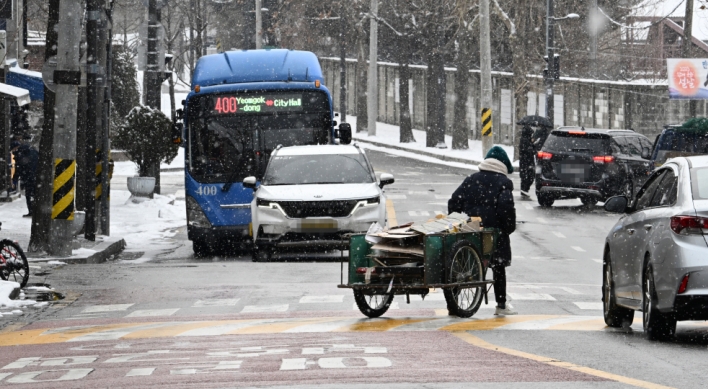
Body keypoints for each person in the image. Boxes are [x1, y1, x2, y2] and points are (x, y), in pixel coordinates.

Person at [448, 146, 517, 315]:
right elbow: (506, 208)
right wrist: (507, 229)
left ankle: (453, 305)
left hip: (470, 231)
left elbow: (454, 202)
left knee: (461, 265)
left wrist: (460, 221)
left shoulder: (471, 179)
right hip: (493, 234)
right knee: (498, 267)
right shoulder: (503, 183)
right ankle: (501, 305)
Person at [12, 143, 38, 218]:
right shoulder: (32, 150)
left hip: (28, 177)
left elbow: (18, 168)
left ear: (15, 148)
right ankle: (36, 211)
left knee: (29, 195)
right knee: (36, 194)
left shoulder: (19, 154)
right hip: (37, 177)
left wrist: (14, 180)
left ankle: (31, 211)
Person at [518, 125, 535, 198]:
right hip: (527, 161)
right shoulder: (525, 140)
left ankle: (524, 190)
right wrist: (532, 147)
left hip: (525, 161)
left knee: (526, 176)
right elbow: (527, 150)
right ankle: (524, 189)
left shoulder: (526, 139)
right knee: (528, 176)